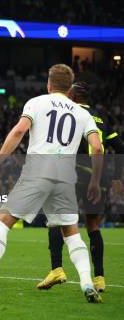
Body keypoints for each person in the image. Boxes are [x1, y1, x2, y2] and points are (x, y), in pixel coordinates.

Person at [0, 64, 104, 303]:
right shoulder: (83, 113)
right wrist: (95, 182)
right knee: (71, 233)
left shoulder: (36, 103)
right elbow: (97, 148)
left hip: (38, 171)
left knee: (2, 222)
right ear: (69, 88)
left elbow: (18, 132)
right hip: (66, 178)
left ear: (49, 84)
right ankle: (88, 284)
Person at [37, 81, 123, 293]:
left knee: (56, 220)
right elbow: (120, 148)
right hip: (98, 179)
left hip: (72, 176)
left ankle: (57, 268)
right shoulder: (101, 119)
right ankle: (100, 278)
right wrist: (117, 178)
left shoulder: (69, 115)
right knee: (93, 225)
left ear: (73, 97)